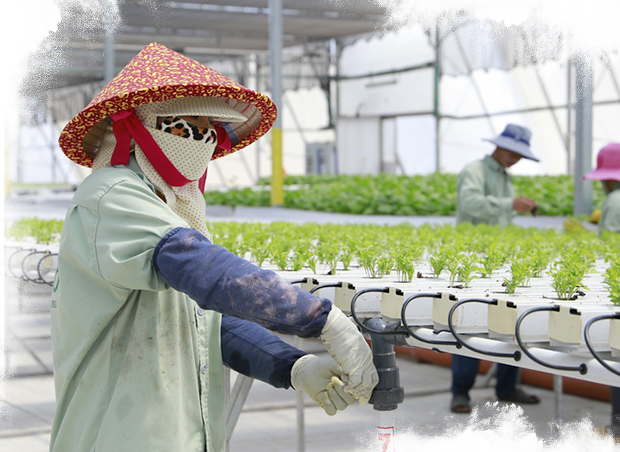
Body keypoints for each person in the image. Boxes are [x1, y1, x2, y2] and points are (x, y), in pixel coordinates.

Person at [50, 42, 378, 452]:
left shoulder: (167, 206)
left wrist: (294, 365)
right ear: (141, 125)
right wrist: (323, 320)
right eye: (192, 121)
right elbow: (204, 272)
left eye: (211, 126)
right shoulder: (111, 195)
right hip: (118, 435)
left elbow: (206, 323)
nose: (204, 136)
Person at [451, 123, 541, 413]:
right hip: (475, 258)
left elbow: (502, 217)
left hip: (502, 258)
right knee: (469, 322)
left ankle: (507, 387)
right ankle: (460, 392)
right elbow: (470, 203)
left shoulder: (504, 176)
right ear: (499, 145)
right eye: (513, 152)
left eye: (520, 155)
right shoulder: (474, 171)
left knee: (508, 322)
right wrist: (510, 203)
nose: (516, 158)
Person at [582, 142, 620, 438]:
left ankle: (618, 427)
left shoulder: (614, 200)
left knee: (617, 354)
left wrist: (586, 238)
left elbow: (609, 249)